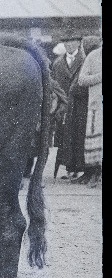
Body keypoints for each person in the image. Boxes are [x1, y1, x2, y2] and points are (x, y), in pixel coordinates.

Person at [52, 35, 91, 180]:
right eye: (66, 41)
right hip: (64, 106)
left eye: (72, 41)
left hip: (80, 104)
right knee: (64, 137)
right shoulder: (57, 63)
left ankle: (79, 168)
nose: (69, 44)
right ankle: (68, 168)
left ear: (79, 43)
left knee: (79, 135)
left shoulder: (85, 60)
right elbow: (54, 85)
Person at [76, 42, 102, 187]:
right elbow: (81, 80)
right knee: (95, 144)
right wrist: (99, 76)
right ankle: (95, 173)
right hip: (97, 108)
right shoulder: (93, 56)